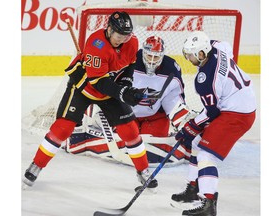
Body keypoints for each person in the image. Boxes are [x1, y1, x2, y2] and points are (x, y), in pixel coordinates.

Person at [23, 11, 158, 189]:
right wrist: (124, 93)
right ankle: (36, 165)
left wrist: (126, 82)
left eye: (126, 36)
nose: (122, 40)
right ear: (109, 29)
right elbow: (98, 83)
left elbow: (130, 65)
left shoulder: (131, 42)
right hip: (84, 88)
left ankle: (143, 172)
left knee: (130, 131)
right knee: (62, 129)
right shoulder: (96, 44)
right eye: (119, 35)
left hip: (110, 89)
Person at [66, 35, 195, 164]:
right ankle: (83, 140)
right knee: (126, 146)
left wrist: (182, 119)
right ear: (143, 52)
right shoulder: (129, 60)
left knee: (152, 155)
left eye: (156, 57)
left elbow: (172, 99)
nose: (152, 61)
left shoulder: (171, 69)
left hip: (155, 116)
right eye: (150, 56)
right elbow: (109, 86)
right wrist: (106, 109)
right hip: (126, 114)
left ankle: (189, 149)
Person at [170, 31, 256, 216]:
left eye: (191, 55)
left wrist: (190, 127)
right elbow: (227, 48)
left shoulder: (205, 80)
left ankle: (208, 204)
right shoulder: (217, 46)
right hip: (240, 101)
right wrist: (192, 130)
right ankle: (193, 188)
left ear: (202, 53)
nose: (188, 58)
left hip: (237, 114)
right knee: (195, 143)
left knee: (206, 156)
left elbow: (211, 112)